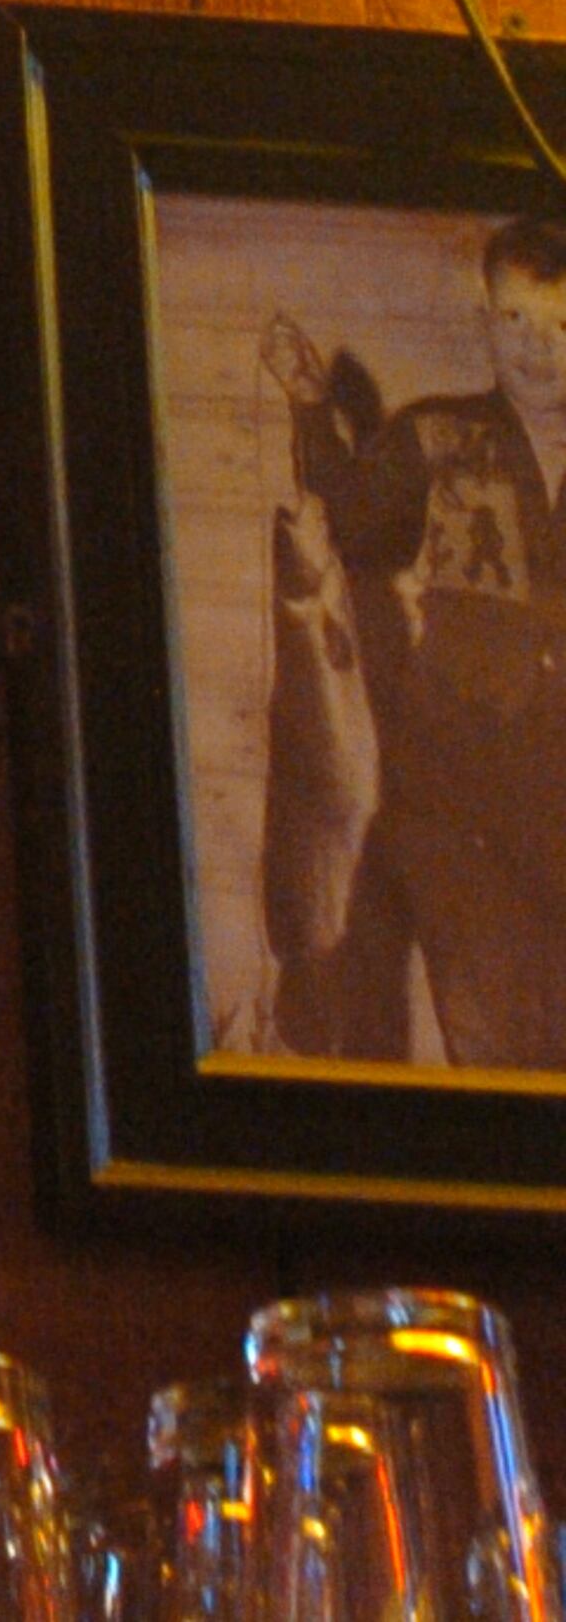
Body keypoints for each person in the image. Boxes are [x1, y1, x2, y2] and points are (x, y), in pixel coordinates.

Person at [261, 223, 566, 1068]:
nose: (538, 351)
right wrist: (310, 406)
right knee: (490, 1042)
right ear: (484, 322)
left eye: (562, 326)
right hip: (456, 795)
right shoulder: (437, 433)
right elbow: (348, 524)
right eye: (516, 322)